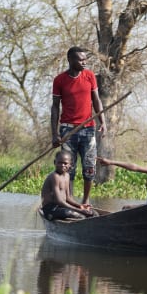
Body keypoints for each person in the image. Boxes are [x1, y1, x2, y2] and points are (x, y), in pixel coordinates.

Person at [51, 46, 106, 205]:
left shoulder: (89, 76)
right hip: (68, 129)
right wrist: (55, 134)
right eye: (80, 60)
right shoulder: (59, 80)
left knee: (89, 166)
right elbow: (55, 107)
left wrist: (103, 121)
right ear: (70, 60)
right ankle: (69, 200)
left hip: (88, 128)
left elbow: (96, 100)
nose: (84, 63)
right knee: (68, 168)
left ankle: (86, 201)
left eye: (85, 60)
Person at [41, 151, 96, 221]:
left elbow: (68, 198)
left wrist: (80, 206)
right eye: (60, 163)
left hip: (60, 207)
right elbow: (59, 201)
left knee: (93, 213)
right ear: (55, 162)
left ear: (70, 164)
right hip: (51, 209)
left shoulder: (67, 176)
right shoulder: (54, 177)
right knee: (80, 216)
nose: (62, 165)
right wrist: (79, 210)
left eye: (65, 163)